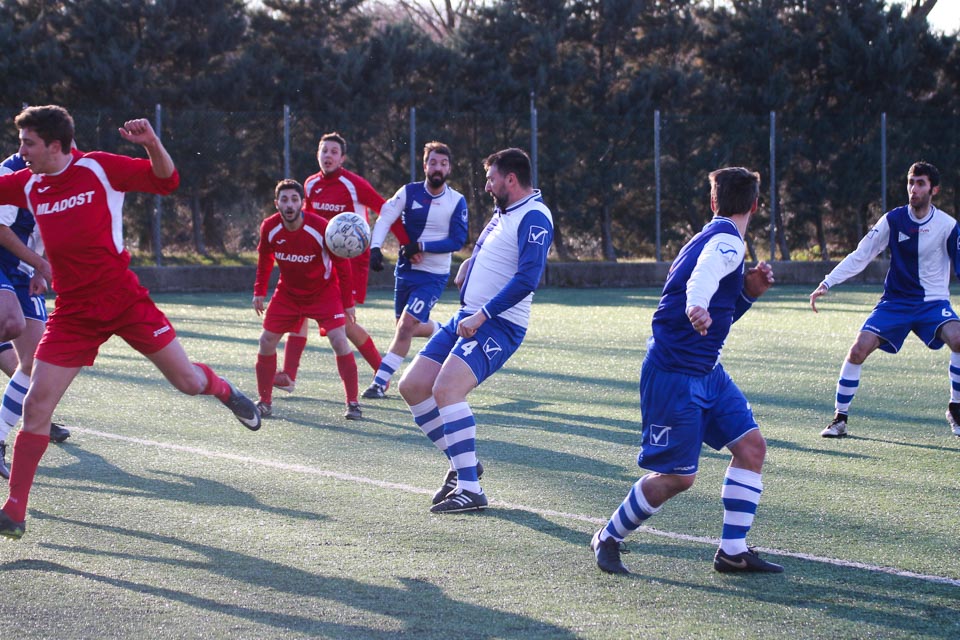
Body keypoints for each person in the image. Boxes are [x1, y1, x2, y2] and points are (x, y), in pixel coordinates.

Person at [0, 105, 261, 540]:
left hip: (123, 300)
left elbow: (167, 180)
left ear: (54, 145)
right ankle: (14, 511)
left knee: (187, 382)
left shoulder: (99, 168)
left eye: (28, 143)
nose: (21, 151)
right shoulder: (28, 183)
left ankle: (223, 389)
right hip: (73, 312)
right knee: (36, 405)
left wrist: (152, 144)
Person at [590, 167, 783, 575]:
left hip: (708, 372)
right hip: (674, 375)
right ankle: (608, 536)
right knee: (678, 478)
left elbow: (716, 312)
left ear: (713, 202)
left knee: (752, 448)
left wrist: (747, 294)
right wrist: (696, 303)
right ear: (755, 205)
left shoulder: (708, 237)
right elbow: (703, 278)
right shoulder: (727, 242)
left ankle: (732, 551)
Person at [398, 147, 553, 514]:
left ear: (510, 179)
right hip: (468, 316)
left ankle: (470, 488)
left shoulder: (534, 216)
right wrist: (473, 260)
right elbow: (498, 247)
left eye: (491, 179)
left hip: (498, 324)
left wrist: (482, 315)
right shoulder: (506, 210)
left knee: (447, 389)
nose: (486, 186)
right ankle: (462, 464)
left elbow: (528, 279)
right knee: (413, 386)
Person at [810, 161, 960, 438]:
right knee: (858, 350)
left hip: (933, 303)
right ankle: (839, 420)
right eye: (911, 182)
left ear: (934, 190)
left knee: (959, 339)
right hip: (895, 303)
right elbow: (861, 254)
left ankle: (956, 408)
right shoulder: (893, 220)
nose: (914, 189)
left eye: (921, 184)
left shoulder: (948, 226)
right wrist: (828, 281)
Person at [272, 132, 410, 394]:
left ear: (343, 158)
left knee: (345, 324)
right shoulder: (310, 184)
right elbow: (304, 222)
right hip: (319, 263)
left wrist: (406, 243)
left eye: (334, 152)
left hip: (350, 264)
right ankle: (288, 376)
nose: (328, 156)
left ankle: (382, 373)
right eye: (324, 151)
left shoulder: (353, 184)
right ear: (318, 154)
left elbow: (385, 209)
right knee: (299, 312)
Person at [363, 141, 468, 400]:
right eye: (433, 163)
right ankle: (443, 330)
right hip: (406, 271)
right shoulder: (409, 192)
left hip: (433, 276)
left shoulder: (456, 201)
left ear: (449, 168)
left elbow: (457, 241)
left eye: (443, 164)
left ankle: (379, 383)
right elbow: (385, 217)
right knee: (405, 327)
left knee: (405, 327)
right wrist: (375, 248)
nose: (438, 168)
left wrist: (421, 246)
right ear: (424, 166)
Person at [253, 179, 362, 420]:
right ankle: (264, 402)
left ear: (302, 203)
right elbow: (264, 258)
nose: (289, 205)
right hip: (288, 293)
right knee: (266, 341)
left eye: (294, 199)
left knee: (339, 341)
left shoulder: (321, 227)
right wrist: (259, 290)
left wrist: (348, 303)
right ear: (277, 203)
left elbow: (342, 266)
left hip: (323, 293)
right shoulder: (269, 227)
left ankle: (353, 403)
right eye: (284, 200)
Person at [0, 151, 69, 479]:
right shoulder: (10, 171)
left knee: (34, 363)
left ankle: (5, 434)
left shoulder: (62, 176)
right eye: (22, 142)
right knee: (11, 321)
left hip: (23, 270)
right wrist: (40, 263)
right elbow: (1, 228)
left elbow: (52, 230)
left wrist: (40, 268)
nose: (25, 149)